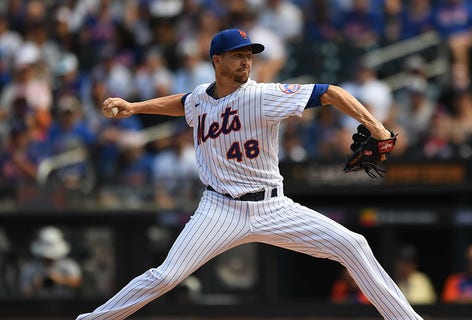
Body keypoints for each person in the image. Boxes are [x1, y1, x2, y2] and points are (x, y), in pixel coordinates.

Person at [76, 28, 422, 320]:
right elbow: (183, 102)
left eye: (249, 55)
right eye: (237, 55)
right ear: (217, 61)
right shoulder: (200, 98)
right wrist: (135, 107)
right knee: (165, 276)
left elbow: (329, 92)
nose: (245, 61)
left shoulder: (262, 96)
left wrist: (375, 125)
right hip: (219, 210)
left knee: (353, 244)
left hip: (274, 208)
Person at [19, 225, 82, 298]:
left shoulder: (69, 265)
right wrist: (36, 285)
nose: (49, 259)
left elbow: (78, 282)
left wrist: (60, 280)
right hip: (37, 307)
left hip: (67, 306)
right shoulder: (29, 268)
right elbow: (25, 293)